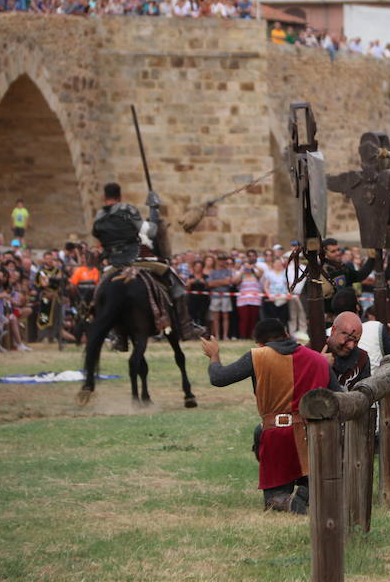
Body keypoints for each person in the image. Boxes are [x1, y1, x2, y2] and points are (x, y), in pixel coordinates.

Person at [202, 318, 340, 513]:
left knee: (274, 500)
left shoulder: (258, 356)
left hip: (277, 436)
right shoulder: (319, 360)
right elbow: (340, 396)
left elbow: (219, 378)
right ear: (286, 335)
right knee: (307, 475)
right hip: (313, 438)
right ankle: (308, 490)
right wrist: (323, 366)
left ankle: (288, 502)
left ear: (259, 344)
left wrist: (214, 355)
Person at [91, 183, 202, 349]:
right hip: (139, 259)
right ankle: (186, 328)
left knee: (100, 291)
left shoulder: (99, 216)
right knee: (175, 281)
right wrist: (154, 212)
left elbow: (99, 237)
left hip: (114, 265)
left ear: (103, 197)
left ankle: (116, 335)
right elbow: (150, 232)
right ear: (120, 197)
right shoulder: (127, 211)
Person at [320, 238, 374, 316]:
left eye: (338, 250)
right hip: (330, 317)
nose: (338, 253)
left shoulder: (342, 267)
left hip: (347, 314)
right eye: (333, 251)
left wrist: (371, 259)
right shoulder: (320, 271)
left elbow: (359, 276)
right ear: (324, 253)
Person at [324, 311, 371, 390]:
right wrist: (320, 365)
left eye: (356, 341)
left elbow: (365, 395)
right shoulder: (312, 351)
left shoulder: (362, 359)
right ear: (333, 330)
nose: (351, 346)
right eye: (348, 339)